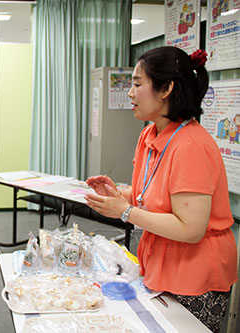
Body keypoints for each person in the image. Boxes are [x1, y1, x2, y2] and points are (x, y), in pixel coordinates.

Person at [85, 46, 237, 332]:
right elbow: (149, 194)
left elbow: (190, 228)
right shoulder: (149, 133)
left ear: (166, 88)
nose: (130, 93)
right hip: (160, 264)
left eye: (138, 83)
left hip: (195, 275)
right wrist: (118, 195)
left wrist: (126, 211)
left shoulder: (191, 145)